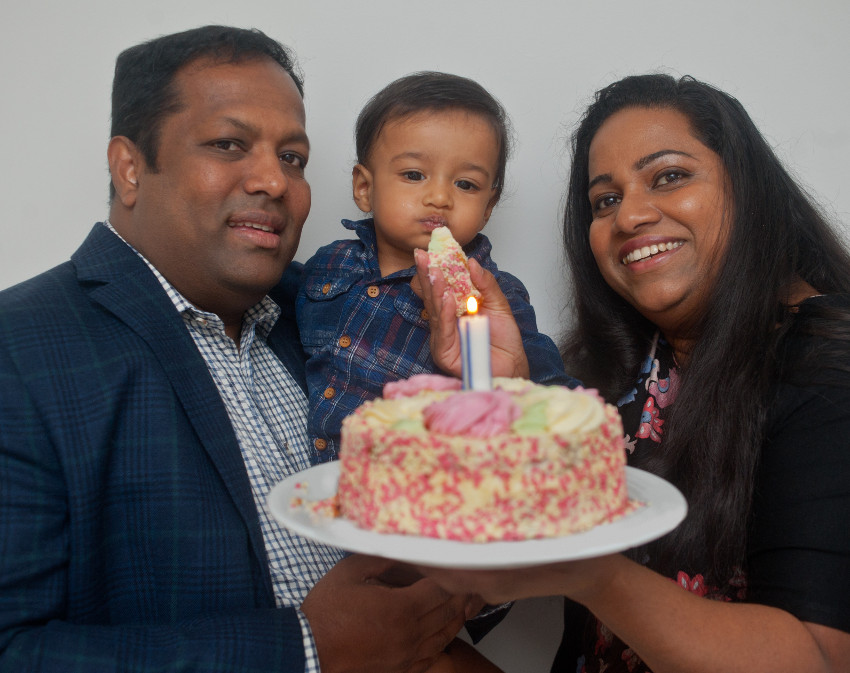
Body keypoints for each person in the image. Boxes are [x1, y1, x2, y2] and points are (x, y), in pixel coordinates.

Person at [0, 25, 484, 673]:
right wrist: (304, 651)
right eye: (229, 144)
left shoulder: (330, 310)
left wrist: (455, 595)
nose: (275, 182)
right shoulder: (21, 347)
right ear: (130, 166)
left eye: (293, 157)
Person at [414, 74, 850, 672]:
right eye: (605, 200)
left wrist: (591, 572)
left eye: (669, 176)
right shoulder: (635, 368)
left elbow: (818, 659)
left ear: (750, 189)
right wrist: (505, 381)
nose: (631, 216)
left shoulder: (828, 367)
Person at [295, 71, 574, 461]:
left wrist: (515, 383)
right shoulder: (328, 265)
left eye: (466, 184)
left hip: (420, 497)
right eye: (414, 175)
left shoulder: (495, 297)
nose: (440, 197)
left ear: (488, 207)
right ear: (364, 188)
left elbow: (560, 403)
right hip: (311, 490)